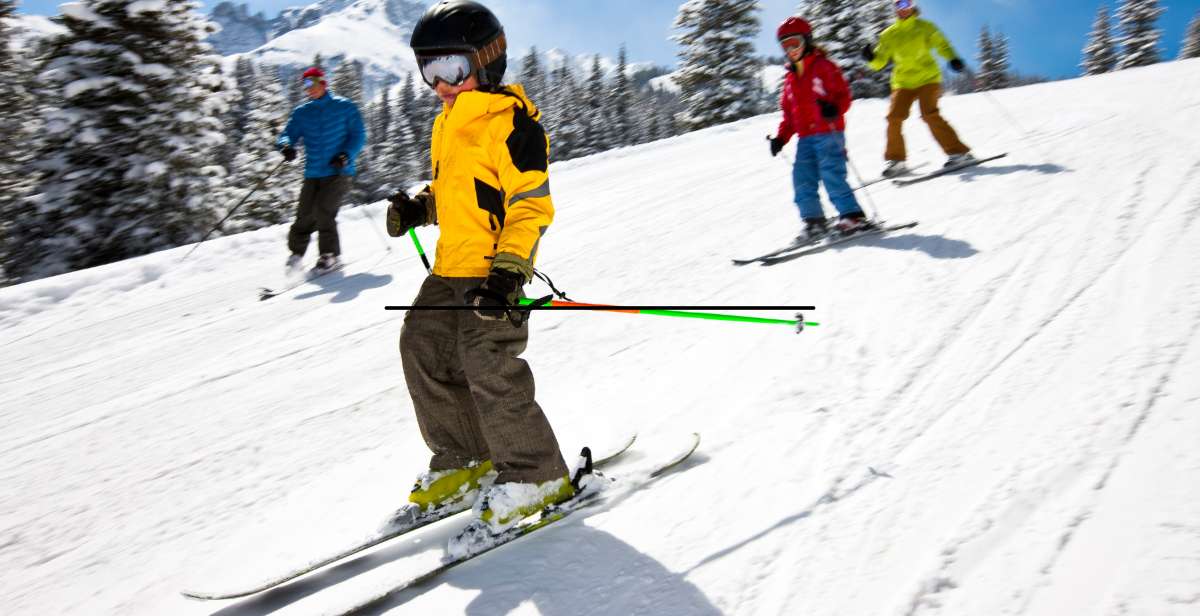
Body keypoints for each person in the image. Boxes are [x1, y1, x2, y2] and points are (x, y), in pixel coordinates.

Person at [383, 0, 572, 551]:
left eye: (453, 70)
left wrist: (510, 271)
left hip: (494, 272)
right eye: (430, 71)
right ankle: (464, 457)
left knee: (488, 365)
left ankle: (536, 473)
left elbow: (529, 205)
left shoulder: (512, 126)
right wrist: (422, 209)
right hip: (450, 267)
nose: (441, 84)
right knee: (421, 347)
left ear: (486, 62)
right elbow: (457, 193)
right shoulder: (446, 124)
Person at [768, 17, 872, 241]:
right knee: (802, 178)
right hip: (805, 138)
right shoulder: (789, 79)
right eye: (785, 46)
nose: (790, 50)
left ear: (807, 40)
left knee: (831, 172)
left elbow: (844, 96)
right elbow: (789, 116)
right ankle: (814, 222)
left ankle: (853, 216)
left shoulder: (824, 66)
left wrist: (834, 108)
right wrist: (780, 138)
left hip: (828, 132)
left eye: (794, 43)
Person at [862, 0, 973, 178]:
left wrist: (953, 58)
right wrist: (871, 58)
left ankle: (959, 153)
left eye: (907, 3)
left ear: (913, 6)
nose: (903, 8)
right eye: (899, 5)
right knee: (893, 118)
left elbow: (942, 45)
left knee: (929, 113)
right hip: (903, 82)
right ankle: (896, 160)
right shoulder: (889, 34)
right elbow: (880, 62)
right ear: (895, 8)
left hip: (928, 78)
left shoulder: (925, 27)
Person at [276, 66, 366, 274]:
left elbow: (358, 135)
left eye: (313, 83)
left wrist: (345, 155)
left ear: (323, 83)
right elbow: (287, 134)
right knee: (304, 214)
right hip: (313, 172)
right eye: (306, 85)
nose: (310, 88)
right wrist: (286, 146)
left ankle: (330, 255)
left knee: (325, 212)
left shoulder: (344, 107)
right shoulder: (302, 112)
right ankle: (296, 254)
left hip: (339, 170)